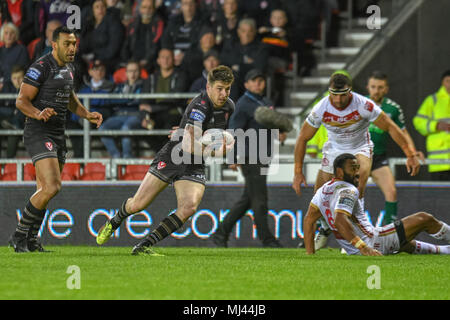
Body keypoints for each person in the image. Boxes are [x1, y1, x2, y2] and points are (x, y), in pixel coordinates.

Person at [96, 65, 235, 255]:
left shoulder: (229, 107)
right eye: (219, 88)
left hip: (194, 162)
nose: (224, 93)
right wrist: (218, 153)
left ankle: (143, 246)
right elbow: (187, 147)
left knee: (188, 208)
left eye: (227, 89)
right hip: (173, 157)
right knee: (138, 204)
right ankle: (115, 221)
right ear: (208, 87)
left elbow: (212, 134)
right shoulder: (199, 106)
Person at [292, 73, 421, 250]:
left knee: (357, 182)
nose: (337, 100)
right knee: (320, 193)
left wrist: (410, 154)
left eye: (342, 95)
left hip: (360, 147)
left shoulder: (364, 105)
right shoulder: (321, 108)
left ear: (350, 91)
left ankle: (354, 237)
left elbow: (390, 126)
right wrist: (298, 172)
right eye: (334, 94)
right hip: (334, 149)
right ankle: (324, 230)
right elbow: (302, 138)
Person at [8, 26, 103, 253]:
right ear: (55, 45)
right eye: (67, 44)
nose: (72, 48)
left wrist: (86, 114)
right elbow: (21, 101)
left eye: (74, 44)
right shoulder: (40, 67)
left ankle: (31, 240)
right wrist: (38, 114)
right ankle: (18, 235)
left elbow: (70, 99)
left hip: (58, 134)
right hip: (39, 132)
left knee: (44, 189)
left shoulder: (69, 69)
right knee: (52, 186)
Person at [303, 153, 450, 256]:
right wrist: (363, 248)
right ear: (340, 172)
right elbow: (340, 219)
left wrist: (310, 253)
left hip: (353, 248)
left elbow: (309, 220)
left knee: (404, 242)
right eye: (352, 169)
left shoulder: (322, 190)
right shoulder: (349, 190)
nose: (357, 172)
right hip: (372, 241)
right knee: (424, 218)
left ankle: (444, 251)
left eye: (357, 168)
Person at [211, 69, 286, 248]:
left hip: (263, 155)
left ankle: (221, 233)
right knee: (260, 199)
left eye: (260, 80)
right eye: (254, 81)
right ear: (246, 85)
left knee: (249, 199)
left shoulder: (266, 102)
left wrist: (279, 134)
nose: (258, 84)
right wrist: (232, 156)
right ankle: (267, 240)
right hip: (249, 155)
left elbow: (269, 126)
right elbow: (234, 131)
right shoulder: (243, 104)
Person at [367, 71, 424, 225]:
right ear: (368, 87)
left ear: (386, 89)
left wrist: (411, 153)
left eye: (380, 87)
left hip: (379, 158)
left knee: (391, 192)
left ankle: (387, 235)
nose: (376, 90)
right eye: (373, 87)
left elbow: (403, 133)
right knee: (351, 195)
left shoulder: (393, 109)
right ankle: (327, 231)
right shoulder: (360, 105)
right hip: (359, 158)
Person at [140, 48, 189, 152]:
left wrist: (153, 108)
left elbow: (175, 100)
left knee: (167, 130)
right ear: (158, 60)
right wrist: (145, 117)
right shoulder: (151, 78)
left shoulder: (181, 76)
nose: (165, 60)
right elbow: (144, 102)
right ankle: (163, 156)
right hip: (155, 115)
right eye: (163, 57)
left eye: (168, 57)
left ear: (174, 60)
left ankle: (164, 158)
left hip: (174, 113)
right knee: (142, 130)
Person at [99, 60, 144, 159]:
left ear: (140, 72)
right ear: (126, 73)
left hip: (135, 115)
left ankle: (127, 157)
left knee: (126, 128)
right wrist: (130, 99)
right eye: (130, 71)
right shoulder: (119, 86)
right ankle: (116, 156)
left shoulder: (145, 85)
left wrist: (123, 99)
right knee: (102, 129)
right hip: (119, 115)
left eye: (135, 71)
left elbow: (141, 102)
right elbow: (112, 101)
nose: (132, 74)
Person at [413, 70, 450, 181]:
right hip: (438, 163)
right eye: (448, 81)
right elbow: (418, 121)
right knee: (439, 197)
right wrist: (436, 125)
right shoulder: (432, 100)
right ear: (442, 83)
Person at [220, 18, 269, 95]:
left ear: (255, 32)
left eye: (250, 31)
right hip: (233, 80)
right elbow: (223, 60)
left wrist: (238, 66)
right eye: (243, 31)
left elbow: (259, 66)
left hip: (252, 80)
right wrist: (246, 61)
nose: (247, 34)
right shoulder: (231, 45)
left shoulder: (261, 47)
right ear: (238, 32)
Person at [120, 0, 165, 74]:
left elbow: (156, 45)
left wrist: (146, 60)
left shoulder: (159, 23)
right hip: (133, 61)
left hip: (150, 62)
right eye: (144, 7)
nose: (147, 10)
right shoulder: (133, 23)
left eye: (150, 8)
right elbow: (126, 44)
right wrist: (128, 61)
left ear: (154, 9)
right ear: (140, 9)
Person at [0, 65, 26, 158]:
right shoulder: (7, 88)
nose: (17, 81)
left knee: (14, 132)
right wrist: (12, 111)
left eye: (20, 78)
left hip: (19, 125)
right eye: (14, 78)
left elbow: (22, 115)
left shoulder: (29, 90)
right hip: (6, 122)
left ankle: (8, 162)